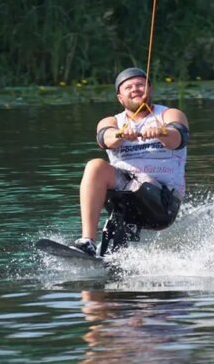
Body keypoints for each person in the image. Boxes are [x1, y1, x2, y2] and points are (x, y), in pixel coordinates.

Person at [73, 67, 189, 256]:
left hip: (162, 202)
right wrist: (119, 134)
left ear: (149, 89)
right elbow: (105, 138)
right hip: (126, 193)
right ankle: (88, 243)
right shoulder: (111, 121)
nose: (135, 89)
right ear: (120, 97)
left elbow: (179, 138)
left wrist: (162, 132)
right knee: (95, 166)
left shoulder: (169, 115)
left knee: (139, 185)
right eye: (129, 87)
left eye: (140, 85)